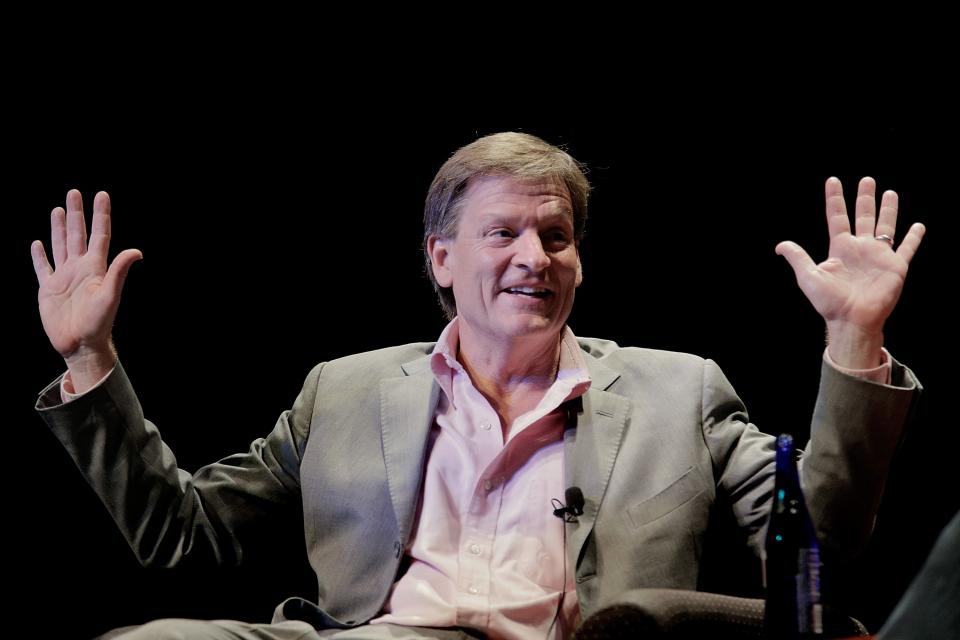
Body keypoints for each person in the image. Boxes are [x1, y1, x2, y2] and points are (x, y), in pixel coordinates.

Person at [32, 132, 924, 639]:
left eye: (556, 236)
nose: (534, 258)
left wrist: (856, 337)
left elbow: (824, 543)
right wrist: (89, 362)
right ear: (442, 258)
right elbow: (183, 540)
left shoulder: (678, 391)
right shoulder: (342, 391)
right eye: (503, 234)